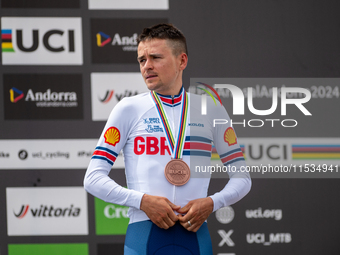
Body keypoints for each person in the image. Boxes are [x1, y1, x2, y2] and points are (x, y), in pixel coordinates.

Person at [84, 23, 251, 255]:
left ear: (181, 61)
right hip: (144, 237)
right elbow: (92, 178)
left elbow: (242, 178)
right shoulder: (128, 109)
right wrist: (142, 201)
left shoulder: (210, 108)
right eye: (142, 60)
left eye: (155, 58)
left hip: (196, 237)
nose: (147, 67)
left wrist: (212, 203)